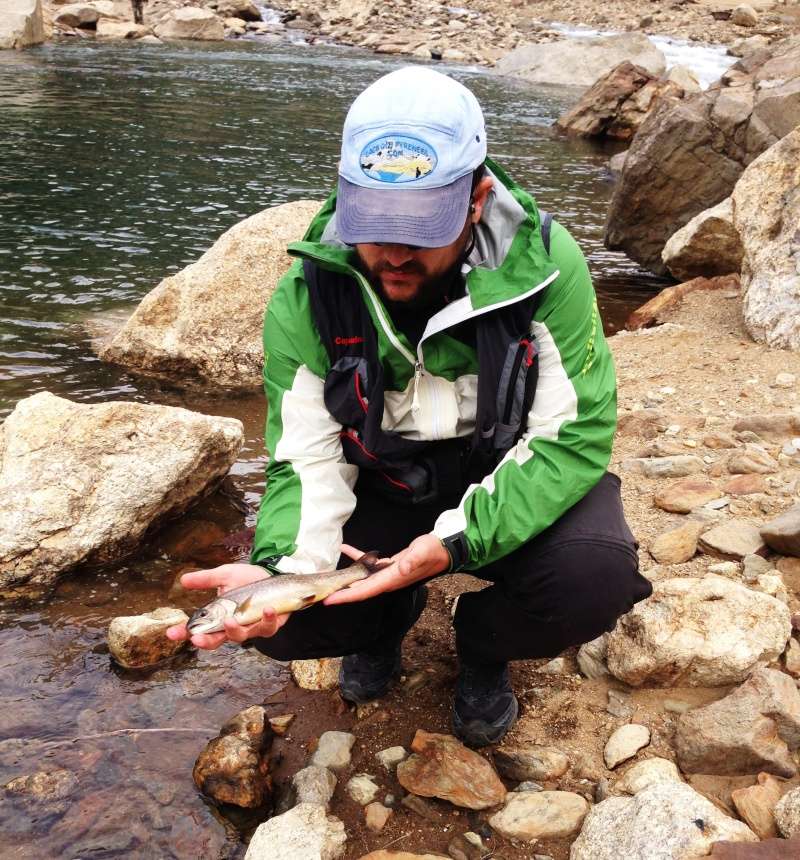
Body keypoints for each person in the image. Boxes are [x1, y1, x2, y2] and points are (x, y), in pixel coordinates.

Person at [168, 66, 652, 747]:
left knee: (594, 579)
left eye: (421, 227)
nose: (393, 254)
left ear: (478, 198)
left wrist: (454, 543)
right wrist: (285, 577)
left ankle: (482, 644)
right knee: (285, 623)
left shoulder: (545, 268)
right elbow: (304, 462)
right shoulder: (305, 298)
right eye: (373, 222)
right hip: (388, 486)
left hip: (511, 472)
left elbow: (572, 434)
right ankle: (385, 618)